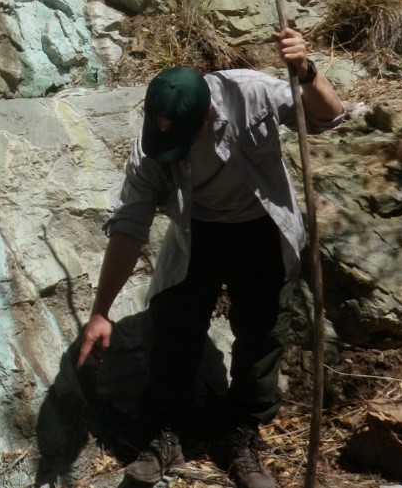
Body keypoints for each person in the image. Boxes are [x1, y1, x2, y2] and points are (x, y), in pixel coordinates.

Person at [76, 28, 346, 488]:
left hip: (262, 227)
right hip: (195, 231)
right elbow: (130, 226)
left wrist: (307, 71)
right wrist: (101, 310)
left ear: (206, 113)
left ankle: (242, 433)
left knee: (262, 334)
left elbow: (329, 115)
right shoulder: (150, 146)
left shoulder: (251, 93)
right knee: (174, 323)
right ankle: (167, 432)